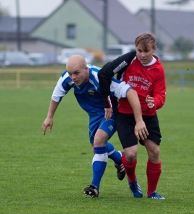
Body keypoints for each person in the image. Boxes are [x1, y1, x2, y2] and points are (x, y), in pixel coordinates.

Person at [42, 55, 145, 198]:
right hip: (93, 116)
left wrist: (139, 119)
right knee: (96, 147)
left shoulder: (99, 77)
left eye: (76, 73)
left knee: (99, 141)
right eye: (70, 73)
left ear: (86, 69)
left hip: (110, 112)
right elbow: (57, 95)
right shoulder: (66, 77)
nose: (73, 77)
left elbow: (127, 90)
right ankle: (118, 157)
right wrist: (49, 116)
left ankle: (94, 186)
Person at [98, 33, 166, 199]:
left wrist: (154, 102)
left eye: (146, 51)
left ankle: (152, 192)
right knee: (130, 154)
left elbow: (161, 95)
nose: (142, 55)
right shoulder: (128, 61)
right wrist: (108, 101)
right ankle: (132, 181)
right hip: (125, 114)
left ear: (154, 49)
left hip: (148, 115)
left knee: (154, 152)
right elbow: (105, 73)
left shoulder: (158, 69)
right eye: (139, 51)